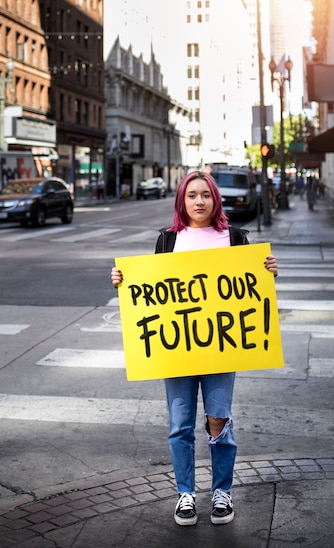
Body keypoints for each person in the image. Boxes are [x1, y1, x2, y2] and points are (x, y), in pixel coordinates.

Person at [111, 171, 278, 527]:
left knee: (219, 419)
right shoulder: (168, 240)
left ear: (215, 199)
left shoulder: (235, 238)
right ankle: (185, 494)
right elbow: (152, 296)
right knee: (180, 424)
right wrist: (123, 283)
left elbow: (251, 287)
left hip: (222, 348)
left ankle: (222, 492)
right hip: (178, 350)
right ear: (181, 201)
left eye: (205, 195)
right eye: (192, 196)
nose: (199, 202)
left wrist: (268, 271)